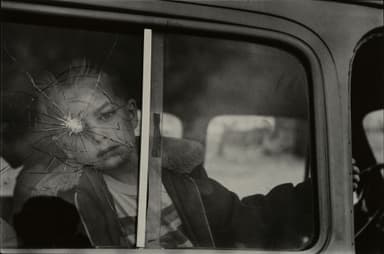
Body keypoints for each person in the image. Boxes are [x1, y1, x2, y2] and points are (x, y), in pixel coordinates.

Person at [6, 60, 358, 249]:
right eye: (78, 129)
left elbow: (250, 220)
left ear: (132, 114)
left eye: (107, 114)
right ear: (67, 146)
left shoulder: (183, 179)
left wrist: (317, 197)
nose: (100, 137)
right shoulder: (69, 203)